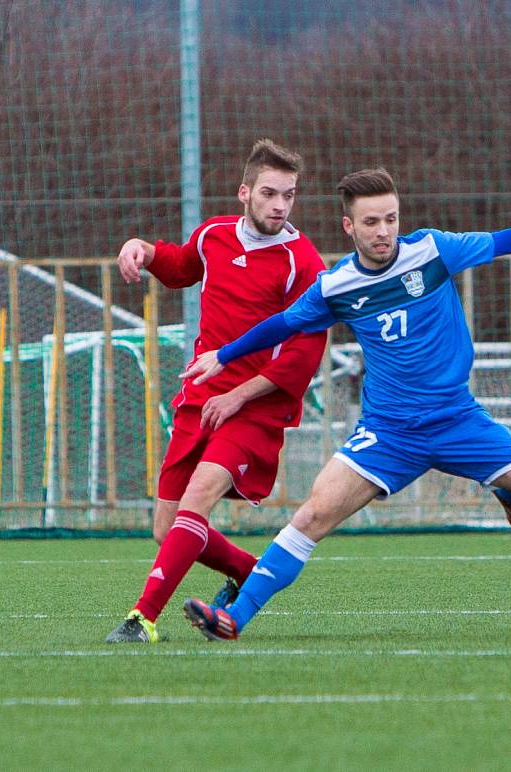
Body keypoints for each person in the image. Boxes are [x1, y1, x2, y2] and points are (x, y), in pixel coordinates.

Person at [178, 168, 511, 641]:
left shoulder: (431, 251)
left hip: (458, 421)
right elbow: (283, 324)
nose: (383, 230)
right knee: (310, 517)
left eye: (390, 218)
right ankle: (234, 618)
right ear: (350, 227)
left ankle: (504, 486)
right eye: (371, 222)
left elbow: (505, 240)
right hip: (388, 434)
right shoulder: (336, 287)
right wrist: (222, 357)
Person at [105, 139, 327, 643]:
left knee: (198, 499)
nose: (279, 205)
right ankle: (250, 571)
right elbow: (183, 266)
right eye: (269, 193)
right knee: (166, 528)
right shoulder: (214, 235)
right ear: (244, 192)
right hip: (200, 398)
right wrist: (144, 249)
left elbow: (302, 356)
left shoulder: (303, 263)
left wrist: (240, 395)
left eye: (289, 196)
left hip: (256, 408)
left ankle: (142, 619)